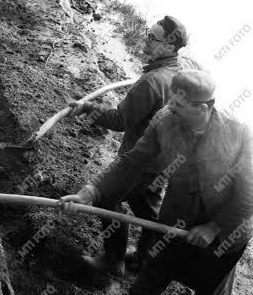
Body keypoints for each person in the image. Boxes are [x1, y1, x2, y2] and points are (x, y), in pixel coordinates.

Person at [61, 69, 253, 295]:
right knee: (145, 286)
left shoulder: (240, 131)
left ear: (204, 107)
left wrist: (214, 227)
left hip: (228, 231)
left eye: (179, 104)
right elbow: (132, 161)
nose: (170, 106)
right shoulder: (165, 120)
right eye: (171, 99)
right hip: (175, 221)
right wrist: (91, 192)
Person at [69, 16, 197, 274]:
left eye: (153, 38)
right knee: (147, 208)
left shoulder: (150, 83)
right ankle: (143, 258)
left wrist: (87, 108)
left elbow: (119, 120)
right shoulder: (183, 68)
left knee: (106, 200)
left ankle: (113, 261)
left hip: (140, 160)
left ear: (171, 47)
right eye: (147, 33)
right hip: (166, 161)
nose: (145, 40)